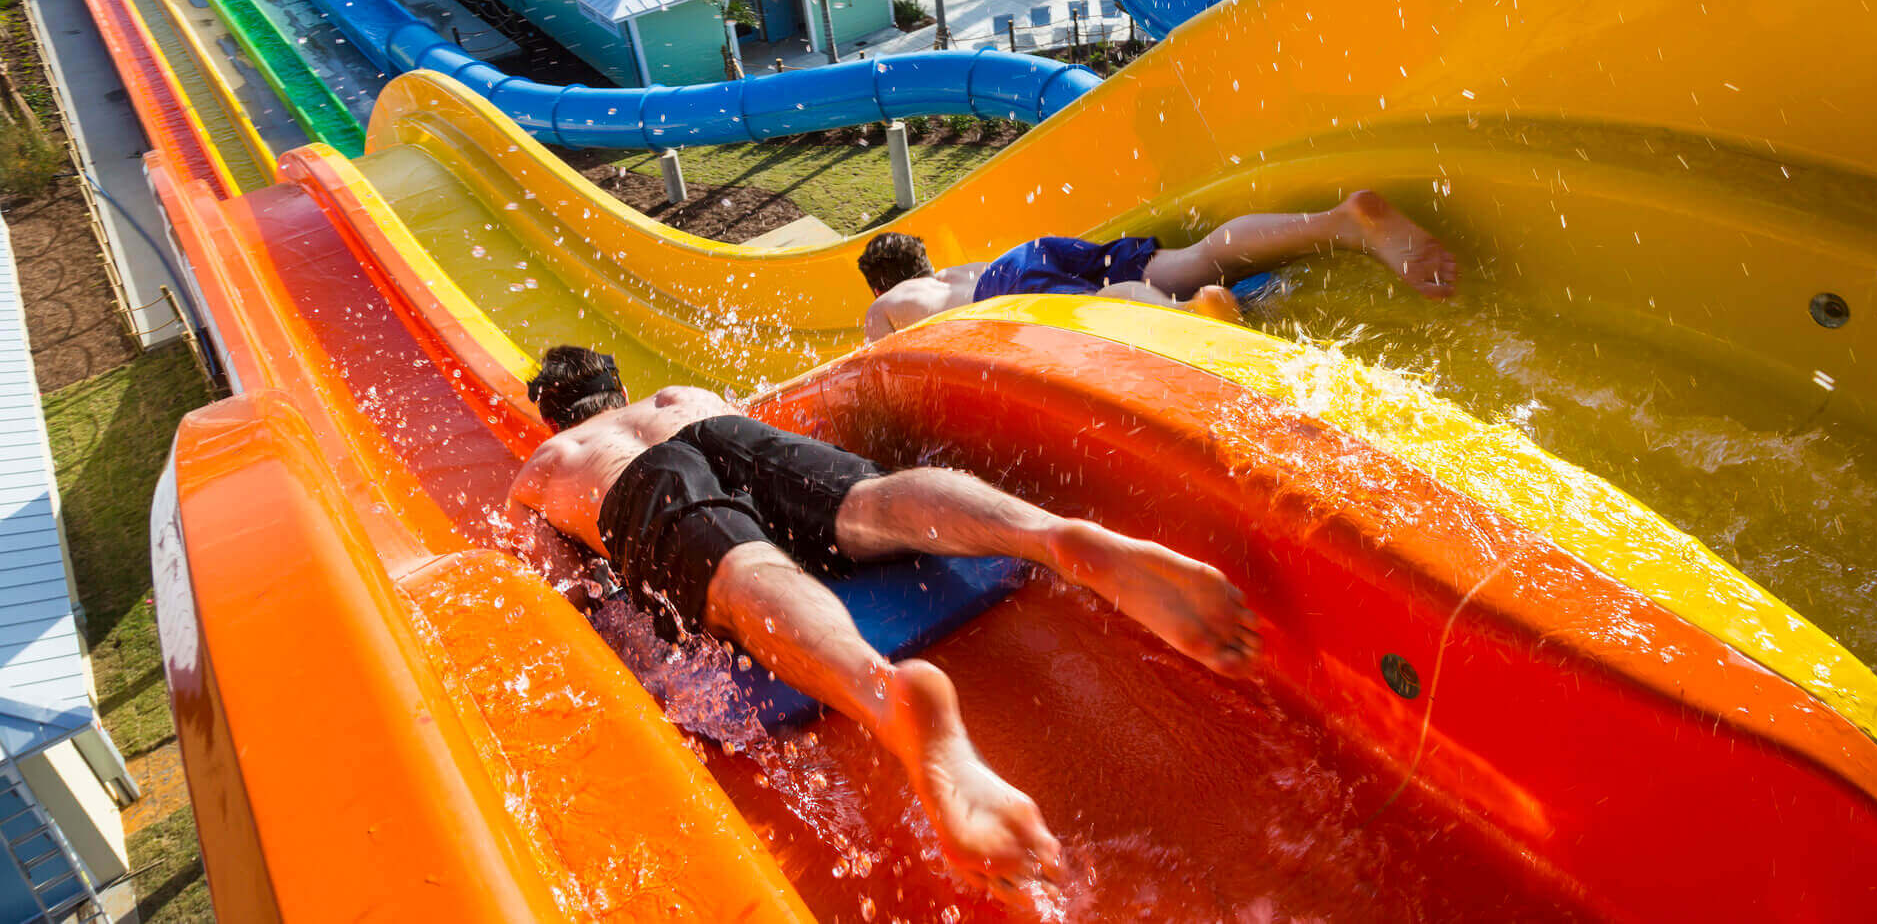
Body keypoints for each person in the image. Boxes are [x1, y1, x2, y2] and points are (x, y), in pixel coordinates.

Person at [509, 347, 1259, 902]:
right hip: (727, 430)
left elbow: (558, 588)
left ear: (551, 413)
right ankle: (1054, 535)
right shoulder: (680, 394)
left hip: (636, 485)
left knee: (743, 576)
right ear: (619, 387)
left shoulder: (548, 462)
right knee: (867, 502)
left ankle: (884, 697)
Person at [859, 191, 1458, 341]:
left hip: (1007, 289)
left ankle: (1189, 313)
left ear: (878, 283)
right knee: (1194, 259)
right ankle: (1341, 223)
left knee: (1096, 308)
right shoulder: (950, 273)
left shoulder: (886, 309)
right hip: (1034, 253)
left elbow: (881, 379)